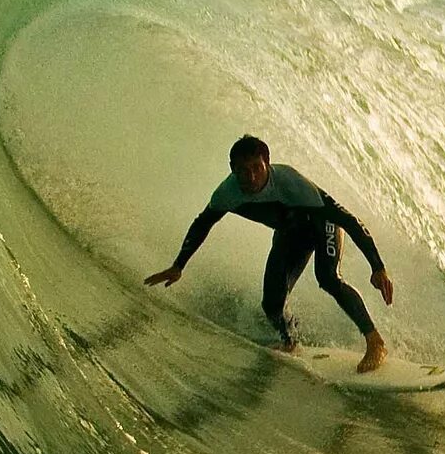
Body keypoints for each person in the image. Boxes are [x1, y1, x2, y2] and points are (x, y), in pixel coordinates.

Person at [146, 135, 396, 372]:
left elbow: (348, 220)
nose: (252, 177)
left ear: (267, 163)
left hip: (321, 224)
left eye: (257, 168)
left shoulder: (291, 183)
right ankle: (291, 341)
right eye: (244, 171)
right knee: (272, 305)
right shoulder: (228, 193)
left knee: (327, 278)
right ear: (233, 169)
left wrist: (377, 267)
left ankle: (375, 341)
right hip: (290, 234)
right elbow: (203, 224)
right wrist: (178, 266)